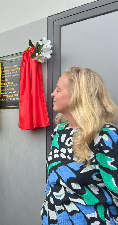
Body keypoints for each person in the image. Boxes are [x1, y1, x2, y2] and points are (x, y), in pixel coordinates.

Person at [41, 67, 118, 224]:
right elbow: (54, 181)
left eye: (58, 90)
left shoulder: (105, 136)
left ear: (77, 95)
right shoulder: (59, 132)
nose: (52, 94)